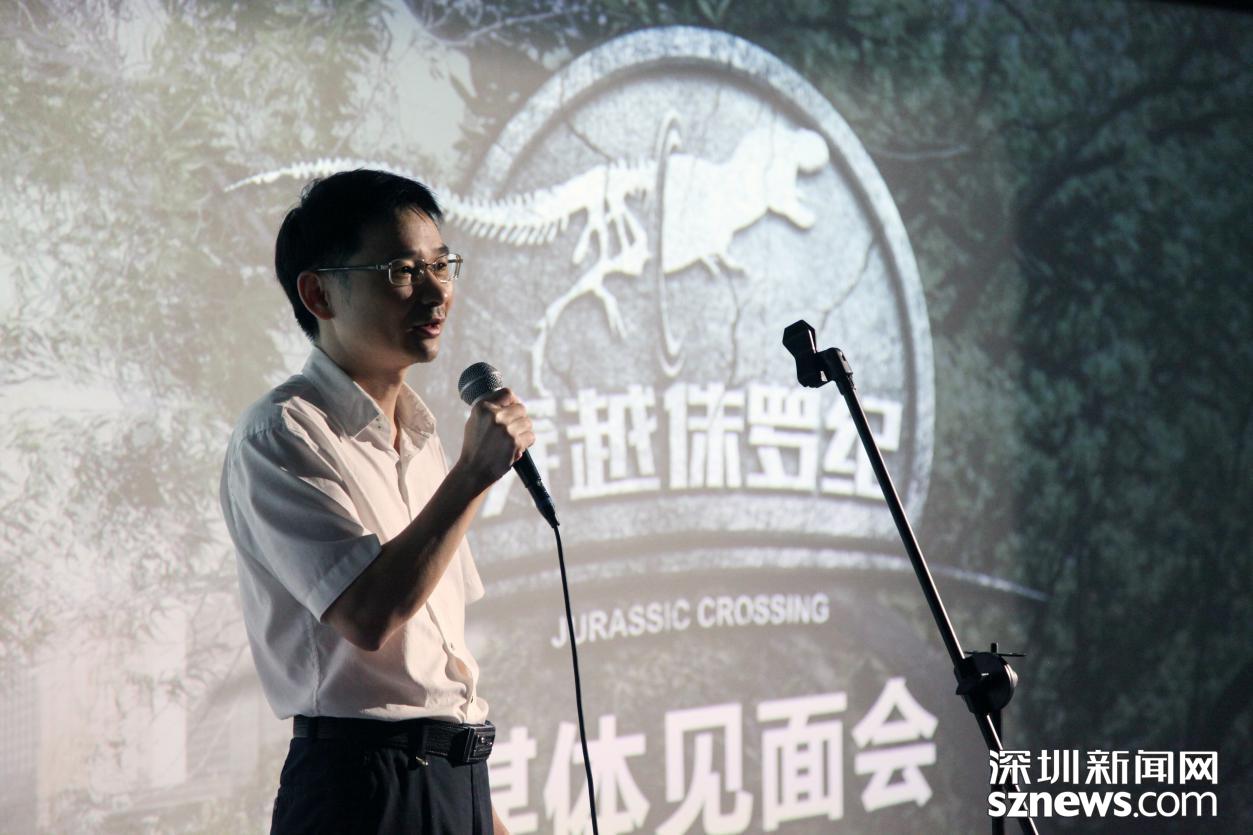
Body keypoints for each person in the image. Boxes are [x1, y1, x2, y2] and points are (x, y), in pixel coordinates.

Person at [219, 169, 530, 834]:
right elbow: (368, 615)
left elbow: (434, 670)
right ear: (318, 293)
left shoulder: (422, 437)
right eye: (403, 270)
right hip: (359, 792)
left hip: (452, 782)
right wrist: (473, 474)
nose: (436, 289)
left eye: (441, 264)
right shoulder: (281, 433)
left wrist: (480, 813)